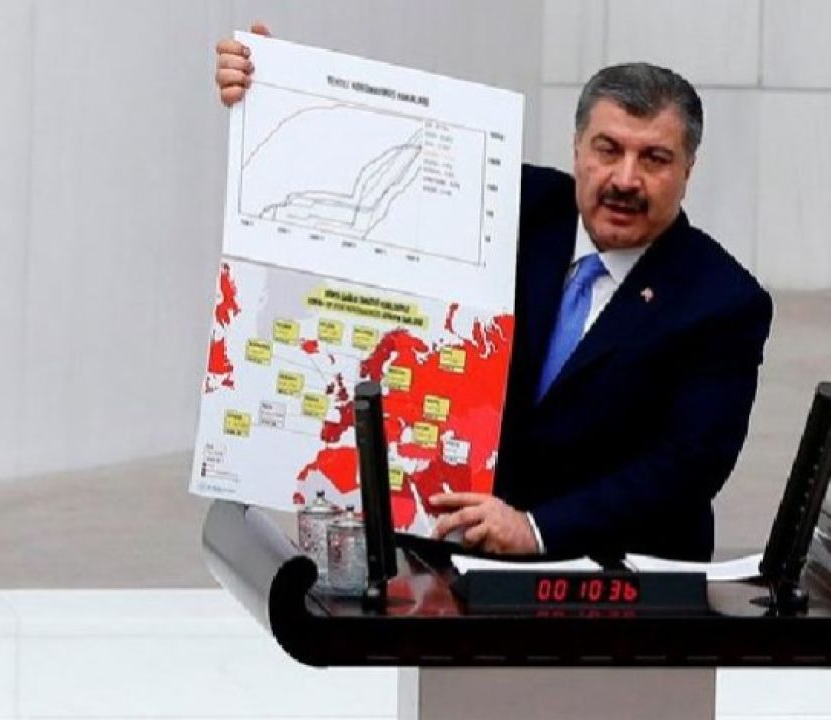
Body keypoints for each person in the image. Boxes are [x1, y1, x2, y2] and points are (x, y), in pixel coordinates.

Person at [215, 26, 772, 561]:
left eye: (654, 159)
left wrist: (537, 529)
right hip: (451, 546)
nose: (625, 179)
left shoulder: (723, 302)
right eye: (608, 150)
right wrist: (273, 87)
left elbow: (686, 466)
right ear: (577, 148)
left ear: (688, 169)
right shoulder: (512, 206)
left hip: (610, 574)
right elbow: (375, 173)